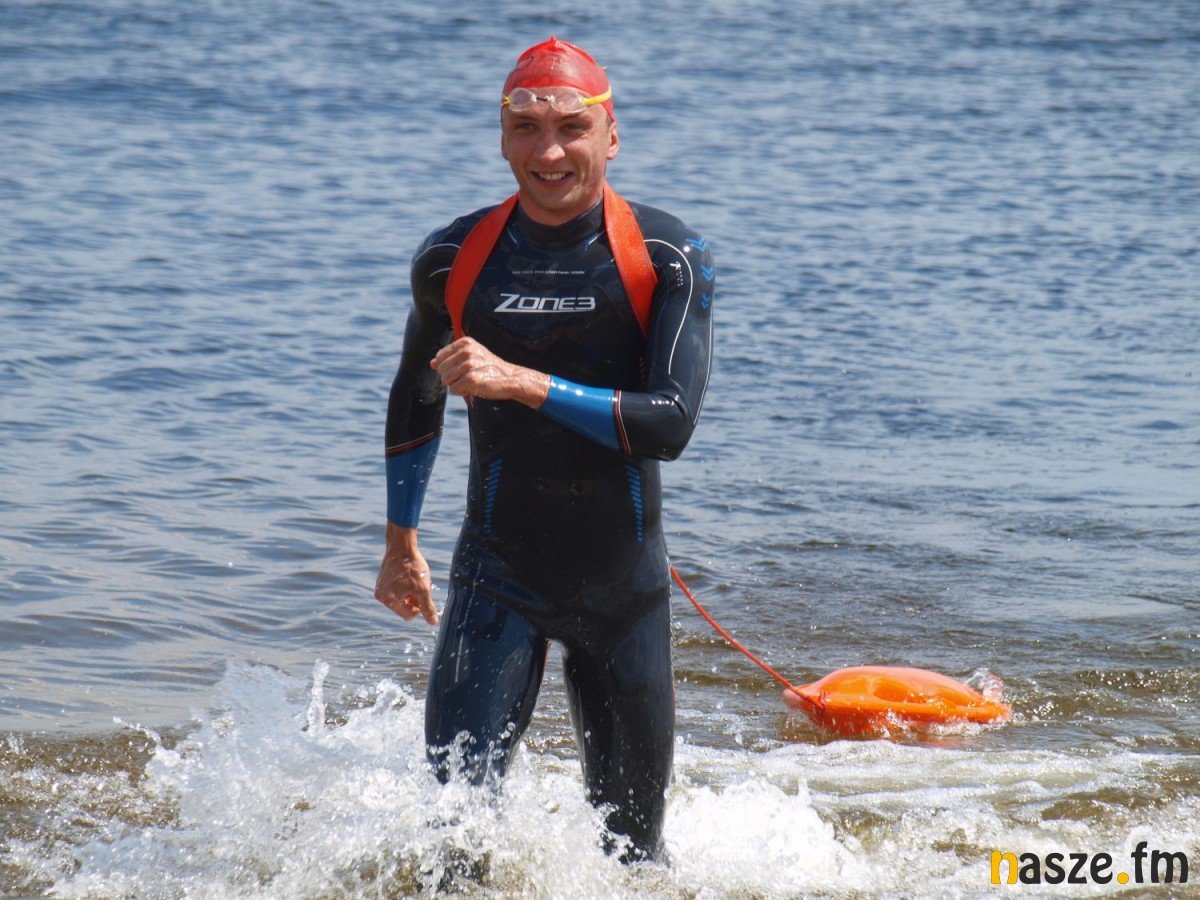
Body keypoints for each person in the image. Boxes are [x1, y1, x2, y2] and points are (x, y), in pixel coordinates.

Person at [374, 35, 714, 863]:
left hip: (624, 592)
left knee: (633, 860)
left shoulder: (665, 256)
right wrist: (400, 543)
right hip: (497, 580)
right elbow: (417, 394)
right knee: (454, 843)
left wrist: (522, 382)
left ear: (611, 135)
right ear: (502, 137)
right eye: (526, 127)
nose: (549, 152)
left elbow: (670, 423)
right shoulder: (454, 259)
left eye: (571, 127)